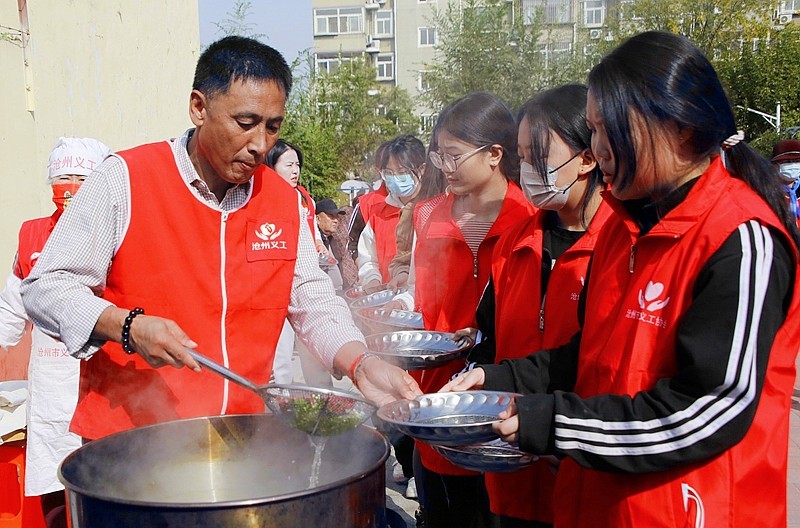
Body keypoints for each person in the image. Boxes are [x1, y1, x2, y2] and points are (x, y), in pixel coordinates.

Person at [443, 31, 800, 528]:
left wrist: (555, 423)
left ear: (676, 126)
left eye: (607, 128)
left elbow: (709, 410)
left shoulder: (739, 238)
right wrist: (501, 380)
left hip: (692, 509)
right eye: (592, 129)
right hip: (601, 506)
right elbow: (587, 354)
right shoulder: (623, 230)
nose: (600, 148)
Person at [20, 36, 420, 445]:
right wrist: (127, 326)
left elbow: (311, 297)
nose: (260, 145)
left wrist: (360, 361)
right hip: (133, 443)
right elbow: (45, 287)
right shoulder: (125, 179)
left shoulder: (281, 201)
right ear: (199, 107)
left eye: (273, 127)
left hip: (241, 435)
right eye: (245, 124)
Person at [452, 84, 611, 528]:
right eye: (522, 157)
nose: (528, 170)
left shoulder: (620, 246)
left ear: (587, 156)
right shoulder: (516, 242)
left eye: (540, 156)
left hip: (583, 468)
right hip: (511, 469)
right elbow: (487, 341)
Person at [392, 92, 535, 528]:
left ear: (495, 155)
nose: (445, 168)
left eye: (454, 156)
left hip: (505, 399)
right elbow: (419, 294)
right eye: (440, 156)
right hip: (438, 395)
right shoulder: (428, 215)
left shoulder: (530, 216)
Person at [0, 137, 111, 527]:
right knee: (52, 479)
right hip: (49, 380)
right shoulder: (32, 235)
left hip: (99, 374)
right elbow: (12, 305)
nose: (69, 187)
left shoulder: (115, 233)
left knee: (100, 478)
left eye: (81, 178)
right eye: (62, 177)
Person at [357, 135, 426, 290]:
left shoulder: (434, 211)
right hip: (388, 298)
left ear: (422, 169)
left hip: (423, 301)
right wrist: (372, 279)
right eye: (389, 172)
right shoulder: (378, 214)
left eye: (402, 172)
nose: (396, 178)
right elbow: (367, 257)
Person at [348, 141, 390, 277]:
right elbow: (352, 244)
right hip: (380, 287)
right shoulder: (365, 204)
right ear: (378, 170)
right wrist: (370, 276)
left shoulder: (422, 203)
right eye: (389, 169)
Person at [770, 138, 800, 220]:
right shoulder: (769, 193)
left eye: (797, 161)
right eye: (787, 161)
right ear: (775, 165)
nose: (793, 165)